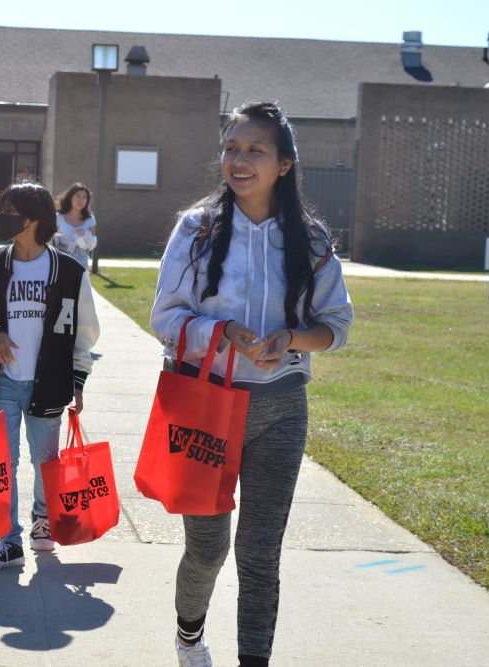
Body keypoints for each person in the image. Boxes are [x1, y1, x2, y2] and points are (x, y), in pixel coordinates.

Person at [151, 101, 353, 667]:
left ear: (284, 164)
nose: (238, 160)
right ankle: (189, 635)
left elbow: (336, 326)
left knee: (261, 552)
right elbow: (165, 318)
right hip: (204, 408)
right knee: (207, 549)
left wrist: (290, 338)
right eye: (231, 148)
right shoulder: (197, 229)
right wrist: (221, 332)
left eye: (255, 150)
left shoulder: (311, 240)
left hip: (280, 409)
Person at [0, 181, 100, 569]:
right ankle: (8, 539)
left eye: (12, 211)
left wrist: (78, 380)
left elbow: (84, 332)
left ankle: (43, 521)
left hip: (50, 383)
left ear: (35, 218)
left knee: (46, 461)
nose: (3, 217)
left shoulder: (69, 272)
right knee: (2, 463)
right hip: (2, 381)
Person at [52, 182, 97, 269]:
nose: (81, 200)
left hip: (82, 260)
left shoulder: (90, 218)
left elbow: (93, 242)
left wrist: (86, 234)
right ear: (70, 197)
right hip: (62, 259)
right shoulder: (58, 217)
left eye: (84, 197)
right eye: (78, 196)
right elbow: (51, 239)